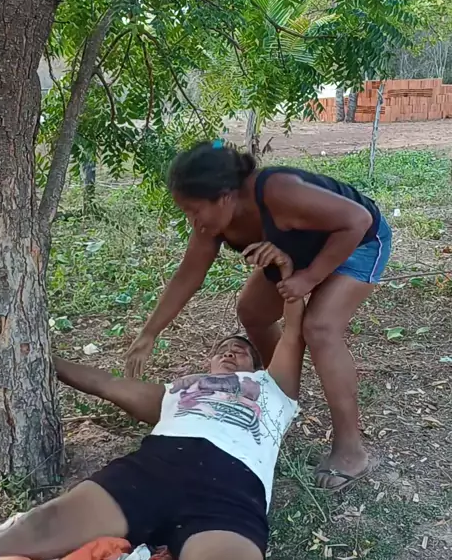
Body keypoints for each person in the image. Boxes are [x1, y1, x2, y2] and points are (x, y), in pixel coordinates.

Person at [0, 256, 300, 560]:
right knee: (38, 526)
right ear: (208, 361)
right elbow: (106, 385)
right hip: (154, 470)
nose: (230, 353)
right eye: (223, 349)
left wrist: (290, 277)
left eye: (241, 351)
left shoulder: (275, 390)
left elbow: (293, 333)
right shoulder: (179, 391)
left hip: (231, 494)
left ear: (258, 365)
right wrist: (37, 355)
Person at [126, 141, 392, 492]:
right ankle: (279, 395)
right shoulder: (212, 224)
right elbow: (188, 275)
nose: (193, 221)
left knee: (319, 327)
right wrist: (149, 333)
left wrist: (309, 278)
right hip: (296, 250)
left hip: (357, 243)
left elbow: (358, 220)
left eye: (194, 210)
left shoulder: (277, 190)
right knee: (252, 311)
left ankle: (351, 450)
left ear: (225, 197)